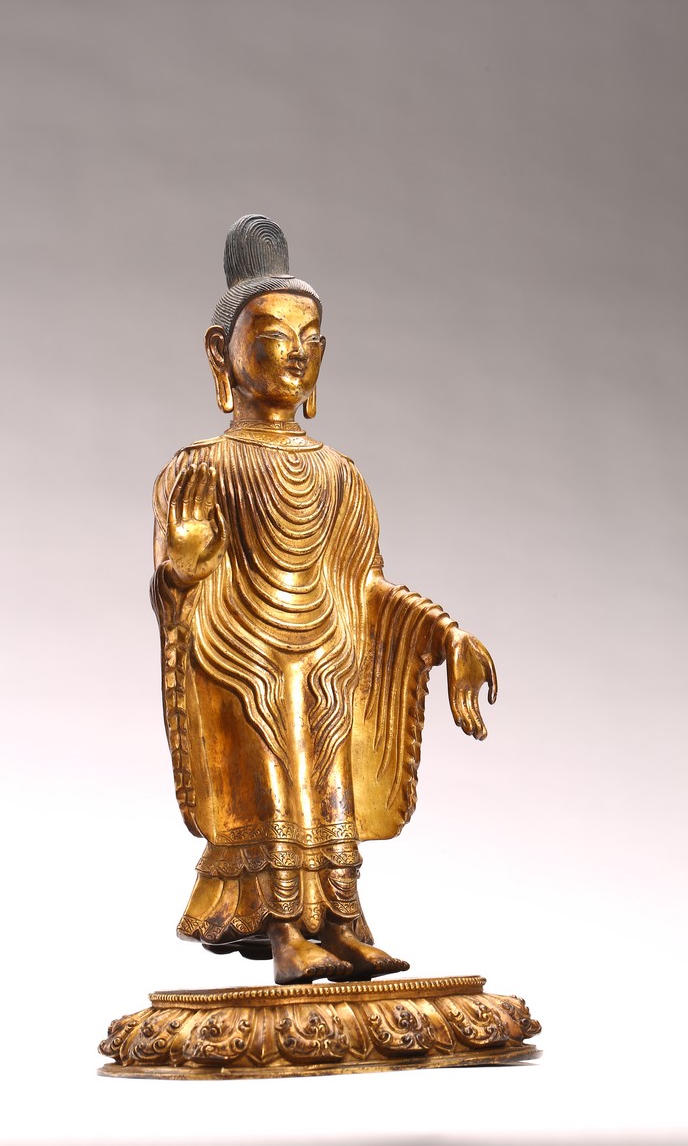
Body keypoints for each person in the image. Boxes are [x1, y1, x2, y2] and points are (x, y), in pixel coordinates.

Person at [151, 215, 497, 985]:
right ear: (220, 353)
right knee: (276, 783)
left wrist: (447, 635)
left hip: (327, 657)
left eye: (309, 339)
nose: (295, 352)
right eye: (272, 336)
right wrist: (182, 567)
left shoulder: (341, 474)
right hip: (242, 657)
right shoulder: (200, 466)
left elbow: (365, 587)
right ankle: (285, 931)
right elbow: (180, 580)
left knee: (331, 783)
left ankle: (341, 923)